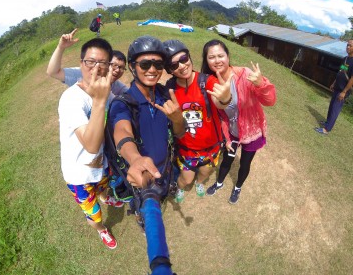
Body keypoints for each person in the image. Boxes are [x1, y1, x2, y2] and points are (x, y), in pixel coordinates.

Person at [107, 35, 186, 273]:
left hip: (166, 170)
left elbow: (179, 133)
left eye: (158, 65)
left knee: (161, 196)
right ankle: (141, 218)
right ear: (133, 67)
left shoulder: (164, 95)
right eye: (145, 64)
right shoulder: (124, 103)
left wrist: (177, 119)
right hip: (141, 175)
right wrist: (134, 158)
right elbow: (122, 131)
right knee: (144, 206)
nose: (152, 70)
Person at [57, 36, 123, 250]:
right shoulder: (71, 99)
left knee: (103, 189)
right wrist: (100, 100)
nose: (96, 68)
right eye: (90, 62)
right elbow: (91, 145)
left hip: (100, 165)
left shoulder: (109, 94)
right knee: (94, 216)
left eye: (102, 63)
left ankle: (105, 197)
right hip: (78, 175)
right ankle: (102, 230)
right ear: (81, 63)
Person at [202, 39, 276, 204]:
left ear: (228, 56)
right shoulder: (211, 84)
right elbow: (221, 116)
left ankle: (238, 187)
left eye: (220, 55)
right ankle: (219, 183)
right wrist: (227, 138)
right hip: (233, 131)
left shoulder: (245, 74)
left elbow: (270, 101)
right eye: (211, 57)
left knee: (245, 162)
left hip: (252, 131)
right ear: (206, 61)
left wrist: (261, 84)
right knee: (227, 159)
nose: (217, 60)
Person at [163, 39, 231, 203]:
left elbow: (219, 101)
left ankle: (199, 184)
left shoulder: (206, 81)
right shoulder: (170, 89)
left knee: (205, 173)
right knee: (186, 179)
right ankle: (180, 188)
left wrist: (225, 98)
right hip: (187, 149)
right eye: (174, 65)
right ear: (169, 70)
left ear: (189, 57)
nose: (181, 66)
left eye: (183, 59)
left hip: (212, 147)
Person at [46, 28, 128, 95]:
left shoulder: (116, 87)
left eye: (121, 68)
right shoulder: (82, 74)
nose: (117, 70)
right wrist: (61, 47)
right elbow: (53, 72)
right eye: (114, 65)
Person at [315, 39, 353, 135]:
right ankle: (327, 122)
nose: (348, 47)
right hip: (337, 87)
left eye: (350, 46)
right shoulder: (345, 59)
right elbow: (341, 72)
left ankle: (326, 130)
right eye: (347, 45)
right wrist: (334, 83)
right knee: (332, 106)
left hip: (343, 90)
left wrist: (344, 92)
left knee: (335, 109)